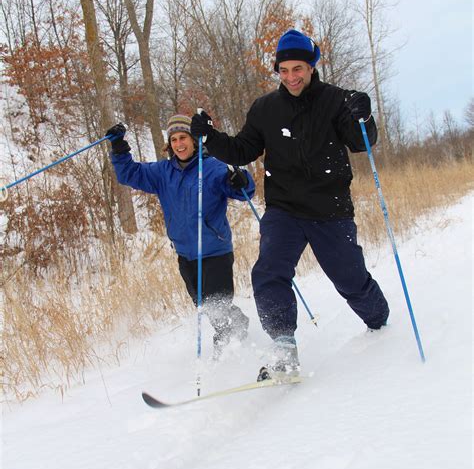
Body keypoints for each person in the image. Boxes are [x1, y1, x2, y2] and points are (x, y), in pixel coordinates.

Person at [190, 28, 389, 381]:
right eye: (284, 70)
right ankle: (283, 345)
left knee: (350, 279)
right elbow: (242, 149)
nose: (291, 77)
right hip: (283, 208)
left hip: (330, 209)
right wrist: (210, 138)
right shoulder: (265, 108)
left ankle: (380, 322)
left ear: (311, 67)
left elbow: (362, 143)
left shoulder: (336, 100)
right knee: (268, 272)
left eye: (297, 68)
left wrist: (364, 117)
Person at [106, 114, 255, 359]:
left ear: (194, 139)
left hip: (215, 250)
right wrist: (119, 147)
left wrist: (241, 180)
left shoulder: (213, 168)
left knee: (217, 306)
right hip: (185, 254)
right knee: (205, 305)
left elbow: (243, 191)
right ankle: (237, 323)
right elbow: (129, 174)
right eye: (173, 139)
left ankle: (228, 353)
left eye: (183, 137)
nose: (179, 144)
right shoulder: (163, 172)